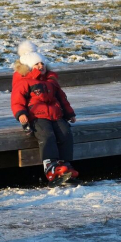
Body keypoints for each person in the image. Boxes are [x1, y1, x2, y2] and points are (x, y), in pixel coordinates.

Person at [11, 49, 79, 184]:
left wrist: (69, 113)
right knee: (47, 136)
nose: (41, 66)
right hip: (37, 116)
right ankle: (50, 166)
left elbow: (61, 98)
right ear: (29, 67)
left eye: (42, 63)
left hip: (56, 115)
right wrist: (21, 114)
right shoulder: (24, 82)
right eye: (36, 64)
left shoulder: (51, 81)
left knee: (66, 133)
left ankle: (65, 164)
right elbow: (17, 100)